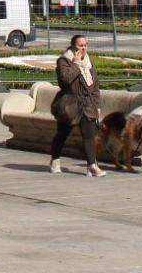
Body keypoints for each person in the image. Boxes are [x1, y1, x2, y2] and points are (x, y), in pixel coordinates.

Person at [50, 34, 105, 177]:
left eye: (85, 45)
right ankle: (55, 159)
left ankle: (92, 165)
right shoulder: (64, 60)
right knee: (62, 134)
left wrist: (96, 105)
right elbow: (66, 80)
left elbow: (95, 86)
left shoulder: (89, 62)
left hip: (87, 105)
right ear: (73, 46)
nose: (83, 48)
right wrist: (75, 63)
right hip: (70, 104)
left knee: (89, 135)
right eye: (80, 45)